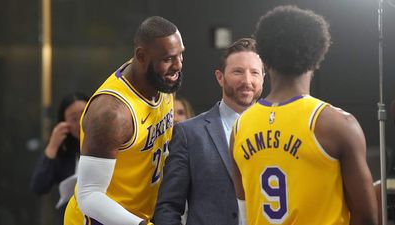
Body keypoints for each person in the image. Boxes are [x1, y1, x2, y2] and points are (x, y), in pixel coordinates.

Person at [231, 5, 378, 225]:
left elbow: (244, 206)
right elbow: (367, 219)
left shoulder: (240, 127)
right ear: (317, 57)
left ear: (265, 60)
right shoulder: (337, 125)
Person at [64, 16, 184, 225]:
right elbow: (89, 196)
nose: (178, 65)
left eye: (180, 55)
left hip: (138, 216)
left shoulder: (161, 82)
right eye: (168, 59)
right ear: (141, 56)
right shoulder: (112, 114)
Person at [154, 38, 264, 225]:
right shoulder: (189, 133)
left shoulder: (278, 129)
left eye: (254, 72)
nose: (247, 80)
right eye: (238, 71)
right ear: (220, 77)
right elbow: (168, 207)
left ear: (263, 77)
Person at [31, 92, 89, 225]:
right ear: (65, 124)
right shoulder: (65, 152)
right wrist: (52, 146)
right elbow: (39, 186)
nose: (80, 122)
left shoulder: (108, 143)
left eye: (84, 113)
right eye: (74, 119)